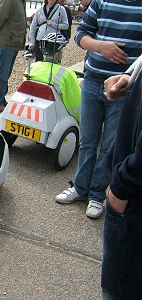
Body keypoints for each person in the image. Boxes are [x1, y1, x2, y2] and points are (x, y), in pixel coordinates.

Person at [55, 0, 142, 219]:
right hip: (93, 79)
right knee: (87, 141)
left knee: (110, 145)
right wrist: (100, 46)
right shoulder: (102, 1)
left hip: (124, 88)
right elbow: (80, 34)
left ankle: (97, 195)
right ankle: (80, 187)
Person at [101, 54, 142, 299]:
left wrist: (120, 187)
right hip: (129, 179)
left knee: (119, 288)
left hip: (132, 192)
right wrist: (131, 76)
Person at [26, 33, 80, 122]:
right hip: (55, 118)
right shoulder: (66, 74)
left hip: (32, 113)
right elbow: (74, 105)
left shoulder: (31, 68)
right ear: (59, 53)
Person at [0, 0, 27, 112]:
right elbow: (0, 17)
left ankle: (1, 98)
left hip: (13, 41)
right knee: (3, 73)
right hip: (6, 41)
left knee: (6, 73)